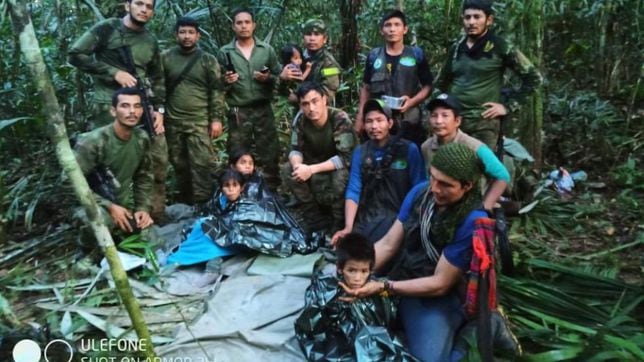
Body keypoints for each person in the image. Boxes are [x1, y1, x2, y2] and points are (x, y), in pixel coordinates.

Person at [340, 143, 488, 361]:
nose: (435, 188)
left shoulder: (471, 221)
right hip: (407, 274)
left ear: (467, 186)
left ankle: (474, 332)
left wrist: (383, 287)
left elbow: (440, 284)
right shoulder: (420, 193)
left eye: (445, 184)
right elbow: (389, 243)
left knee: (427, 358)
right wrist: (359, 274)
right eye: (433, 177)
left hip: (438, 294)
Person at [69, 0, 168, 221]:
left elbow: (158, 76)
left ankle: (152, 216)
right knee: (106, 164)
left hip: (142, 104)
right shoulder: (107, 29)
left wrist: (158, 109)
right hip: (109, 106)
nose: (144, 9)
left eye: (149, 6)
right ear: (127, 6)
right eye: (139, 4)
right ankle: (107, 215)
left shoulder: (150, 40)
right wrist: (113, 73)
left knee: (157, 159)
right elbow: (75, 54)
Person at [435, 0, 542, 149]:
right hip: (455, 123)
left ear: (489, 20)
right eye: (467, 17)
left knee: (481, 169)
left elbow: (534, 78)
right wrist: (439, 112)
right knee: (448, 167)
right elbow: (440, 83)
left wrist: (508, 107)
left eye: (477, 17)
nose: (471, 22)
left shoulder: (501, 46)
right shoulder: (456, 48)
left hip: (484, 123)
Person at [294, 233, 416, 361]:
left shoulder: (376, 288)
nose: (358, 279)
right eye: (351, 271)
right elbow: (310, 326)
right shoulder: (328, 292)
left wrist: (380, 290)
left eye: (364, 271)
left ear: (370, 270)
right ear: (340, 269)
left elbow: (391, 299)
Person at [333, 99, 426, 244]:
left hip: (399, 218)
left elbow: (419, 189)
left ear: (390, 123)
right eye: (369, 121)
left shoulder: (408, 149)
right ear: (363, 125)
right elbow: (354, 189)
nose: (374, 126)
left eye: (379, 120)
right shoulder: (361, 152)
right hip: (368, 218)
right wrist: (348, 227)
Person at [74, 88, 154, 245]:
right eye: (125, 106)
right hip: (89, 204)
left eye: (137, 106)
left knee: (150, 238)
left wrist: (142, 208)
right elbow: (69, 183)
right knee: (101, 223)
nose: (132, 111)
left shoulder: (141, 138)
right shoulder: (93, 142)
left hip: (120, 203)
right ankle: (87, 255)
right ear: (113, 111)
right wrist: (109, 207)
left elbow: (144, 176)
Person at [162, 17, 226, 206]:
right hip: (173, 121)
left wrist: (216, 119)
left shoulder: (207, 60)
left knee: (201, 165)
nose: (186, 36)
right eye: (182, 32)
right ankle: (185, 202)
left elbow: (216, 90)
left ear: (198, 36)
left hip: (199, 121)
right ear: (176, 35)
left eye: (191, 32)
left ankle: (203, 204)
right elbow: (158, 87)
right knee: (180, 164)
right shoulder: (165, 57)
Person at [218, 7, 283, 191]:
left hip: (263, 108)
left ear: (254, 25)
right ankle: (238, 190)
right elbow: (217, 84)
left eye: (247, 22)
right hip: (239, 110)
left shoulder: (266, 50)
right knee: (238, 150)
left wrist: (267, 78)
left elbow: (280, 77)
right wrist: (226, 81)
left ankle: (271, 191)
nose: (243, 26)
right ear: (233, 26)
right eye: (239, 23)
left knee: (269, 150)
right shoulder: (225, 52)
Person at [281, 82, 356, 234]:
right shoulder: (301, 120)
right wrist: (297, 167)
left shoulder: (339, 118)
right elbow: (295, 149)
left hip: (335, 166)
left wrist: (310, 169)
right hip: (312, 163)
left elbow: (346, 158)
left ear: (324, 100)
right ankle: (314, 218)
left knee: (341, 175)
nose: (311, 108)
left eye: (315, 101)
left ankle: (338, 222)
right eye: (305, 104)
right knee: (287, 169)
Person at [356, 10, 433, 147]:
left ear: (405, 29)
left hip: (409, 120)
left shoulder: (416, 54)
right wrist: (361, 116)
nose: (392, 29)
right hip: (379, 121)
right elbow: (366, 87)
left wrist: (411, 102)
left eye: (397, 25)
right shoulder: (374, 56)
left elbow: (428, 86)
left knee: (409, 157)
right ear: (381, 30)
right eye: (388, 25)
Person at [421, 93, 509, 211]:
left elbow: (502, 176)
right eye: (434, 116)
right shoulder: (426, 146)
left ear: (457, 121)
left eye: (445, 115)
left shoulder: (474, 147)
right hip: (439, 203)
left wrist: (485, 206)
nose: (438, 121)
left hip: (469, 206)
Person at [281, 19, 342, 104]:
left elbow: (327, 94)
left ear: (324, 39)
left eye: (317, 35)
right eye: (308, 34)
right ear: (303, 37)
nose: (312, 38)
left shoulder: (329, 64)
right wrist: (282, 78)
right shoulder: (297, 56)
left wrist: (298, 99)